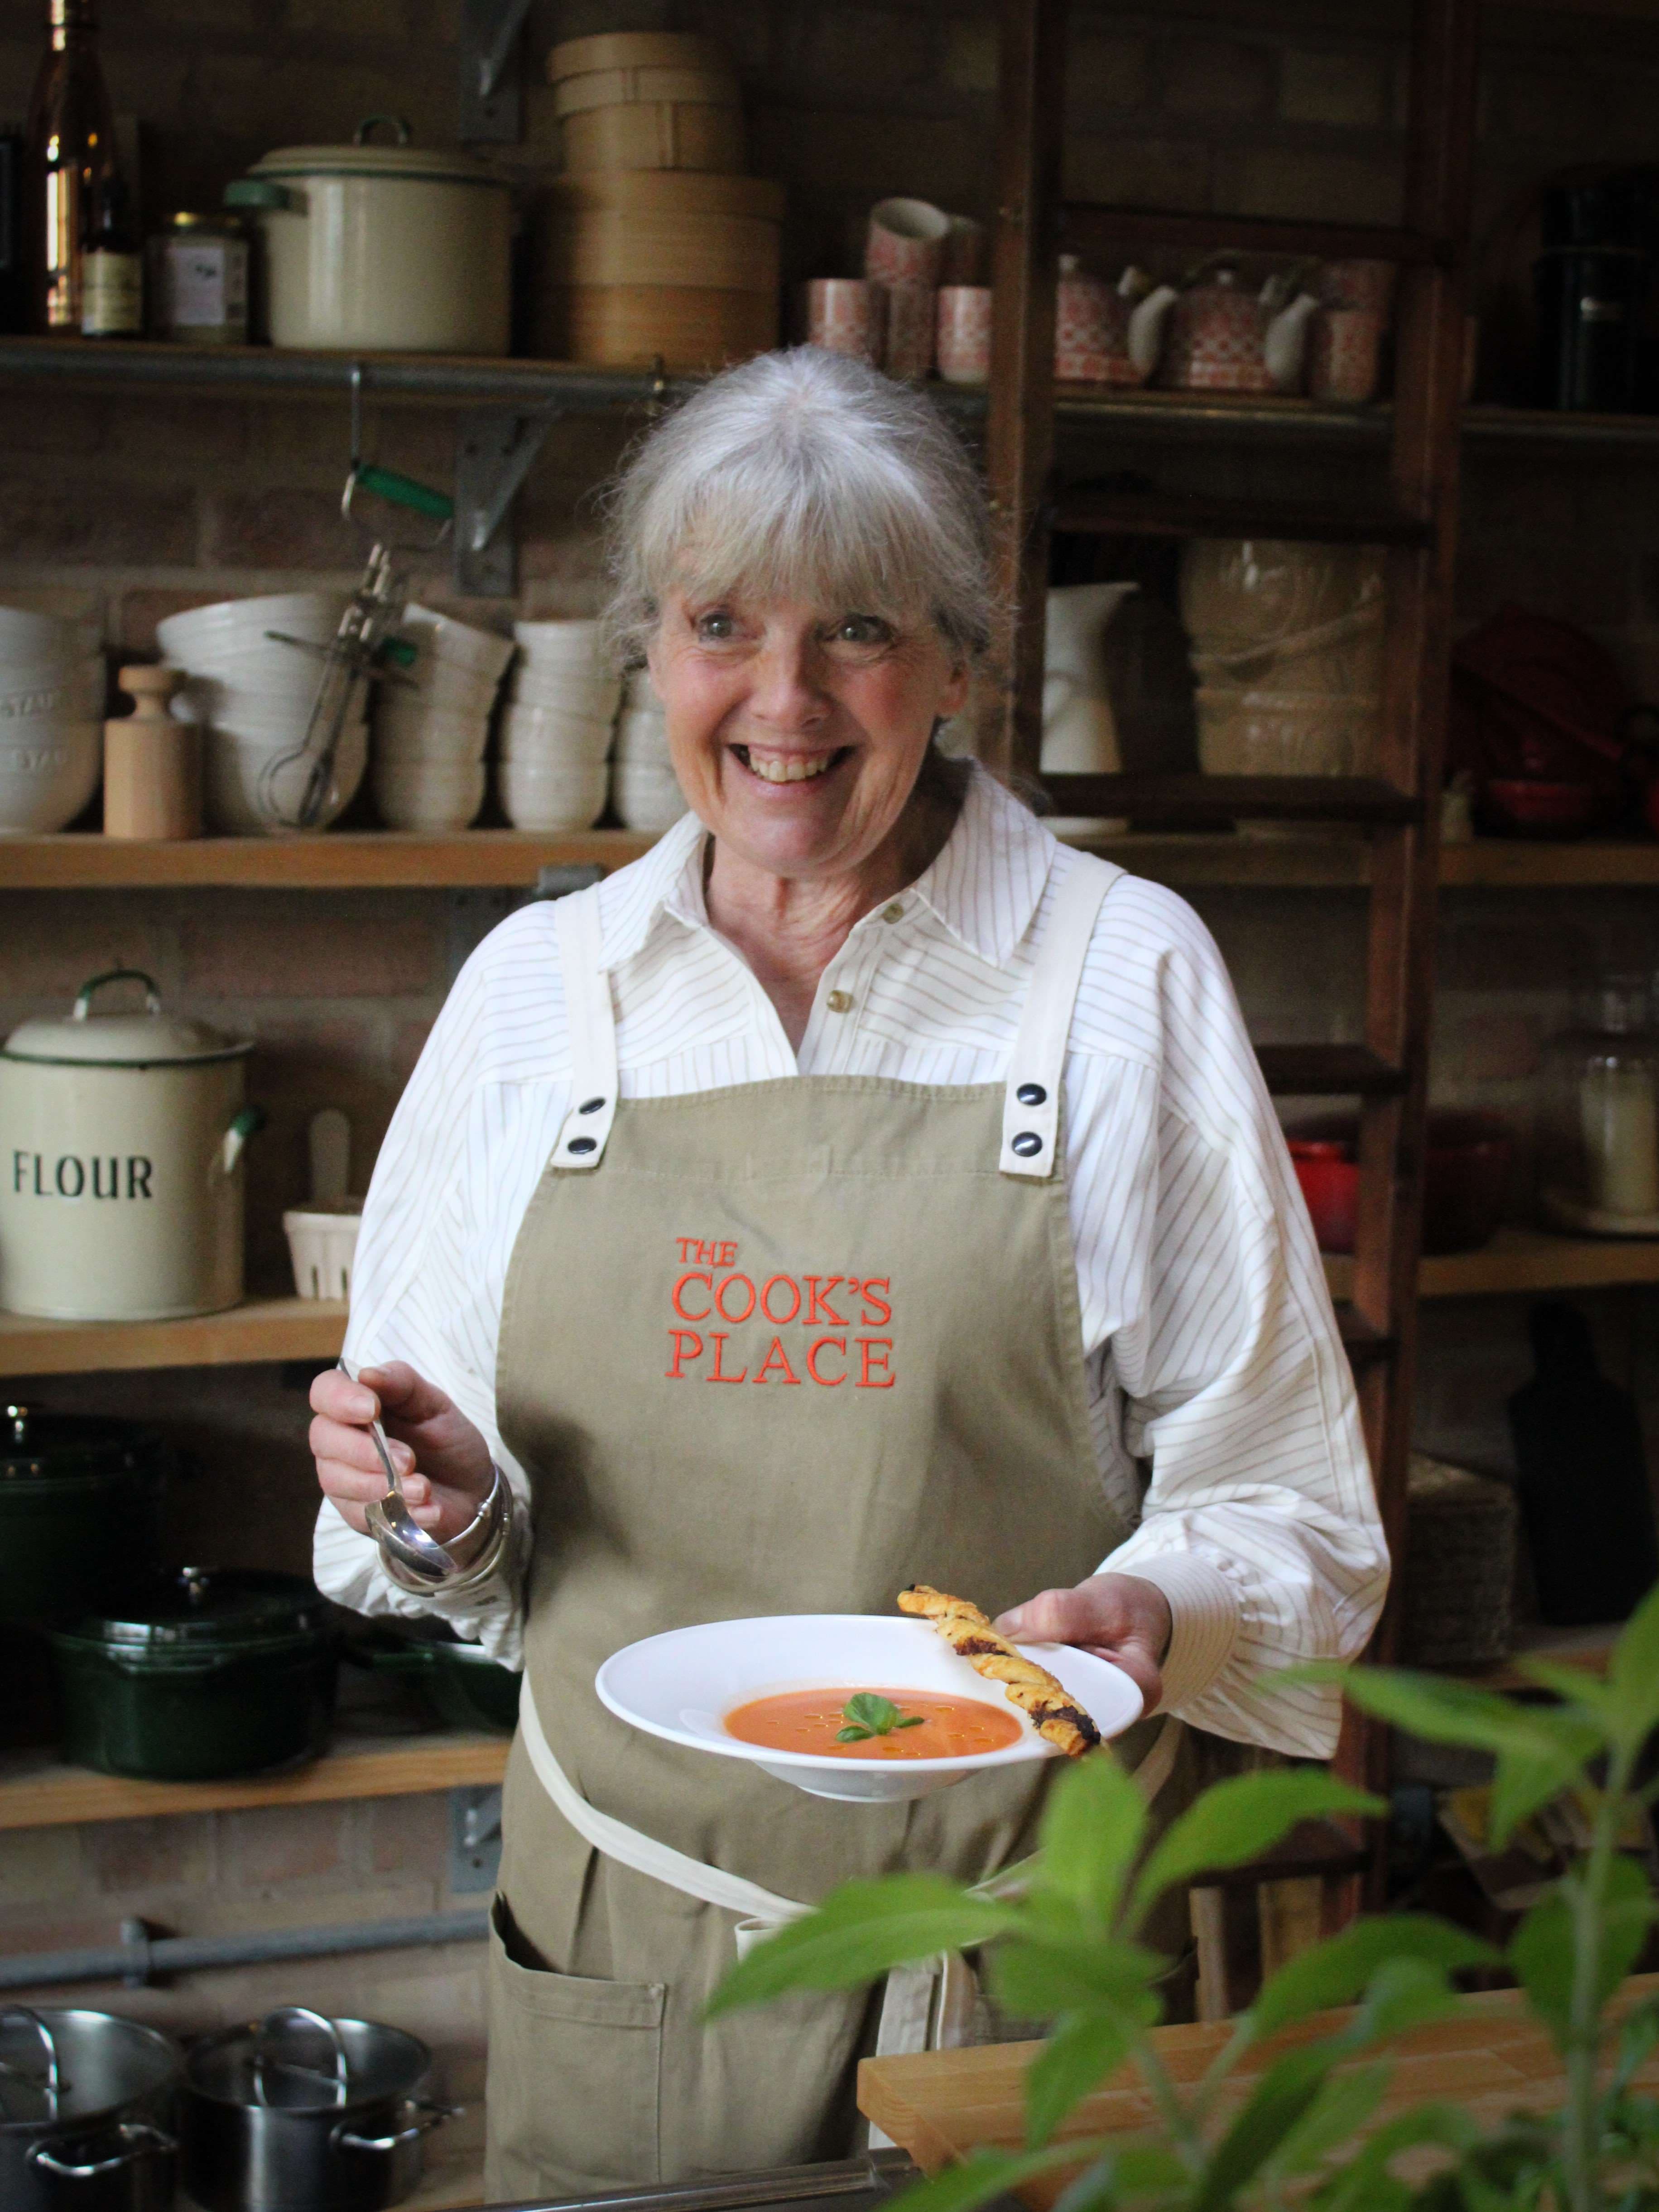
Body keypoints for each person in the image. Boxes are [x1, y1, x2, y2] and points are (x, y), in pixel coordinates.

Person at [308, 348, 1387, 2197]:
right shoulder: (534, 1007)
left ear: (962, 662)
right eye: (723, 623)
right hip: (641, 1954)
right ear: (652, 648)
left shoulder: (1119, 979)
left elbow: (1289, 1507)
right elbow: (434, 1559)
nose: (783, 701)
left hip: (1024, 1975)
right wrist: (439, 1501)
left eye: (859, 630)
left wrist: (1162, 1612)